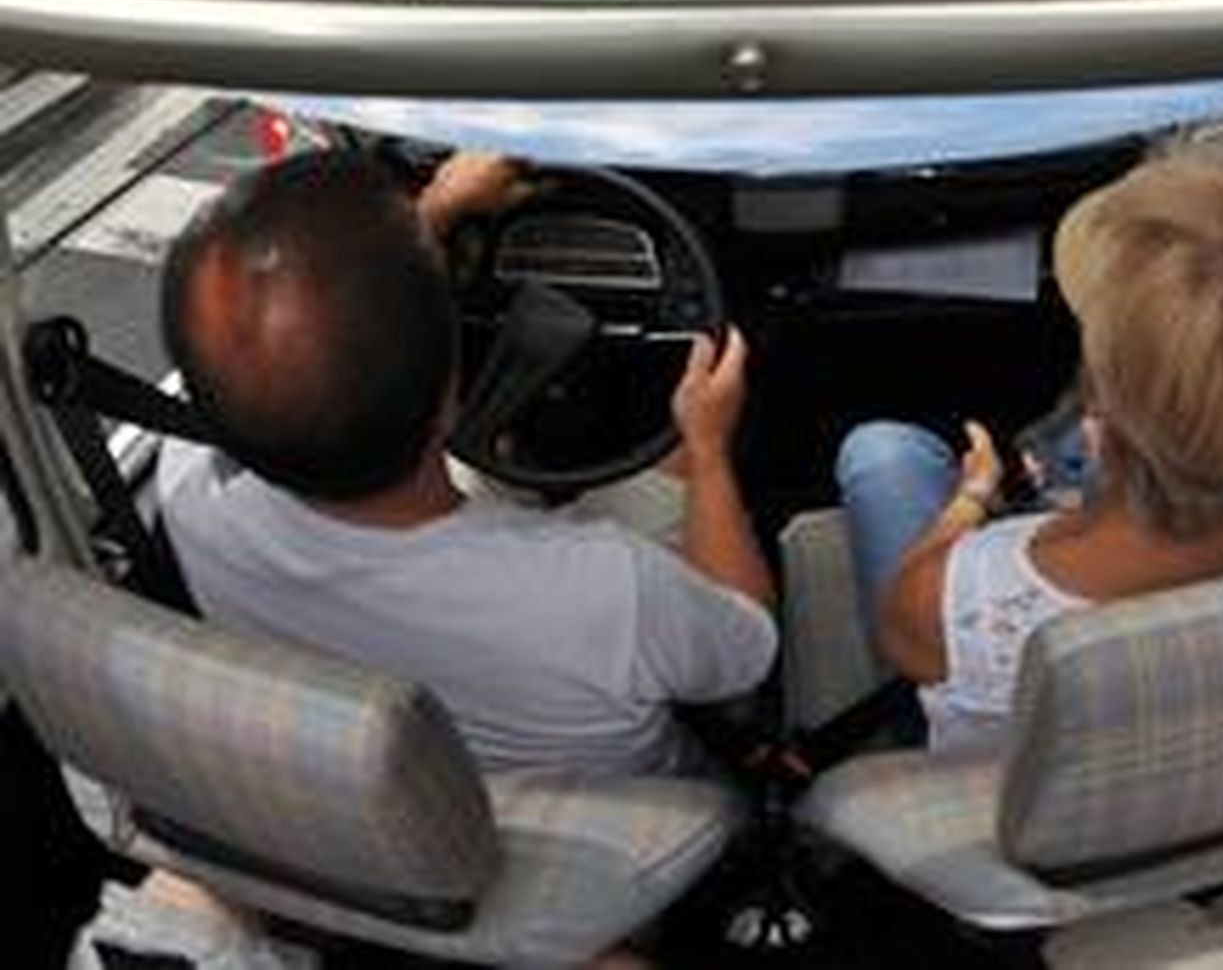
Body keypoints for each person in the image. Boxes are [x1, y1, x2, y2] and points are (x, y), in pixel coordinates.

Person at [156, 149, 776, 782]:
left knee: (508, 471)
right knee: (673, 472)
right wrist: (706, 451)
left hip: (417, 788)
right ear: (449, 399)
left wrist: (439, 208)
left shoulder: (189, 496)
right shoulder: (613, 588)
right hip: (642, 816)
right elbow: (747, 653)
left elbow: (306, 340)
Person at [836, 145, 1223, 757]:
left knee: (881, 452)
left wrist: (970, 499)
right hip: (1192, 764)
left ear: (1098, 421)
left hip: (1004, 800)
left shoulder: (945, 602)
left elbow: (905, 638)